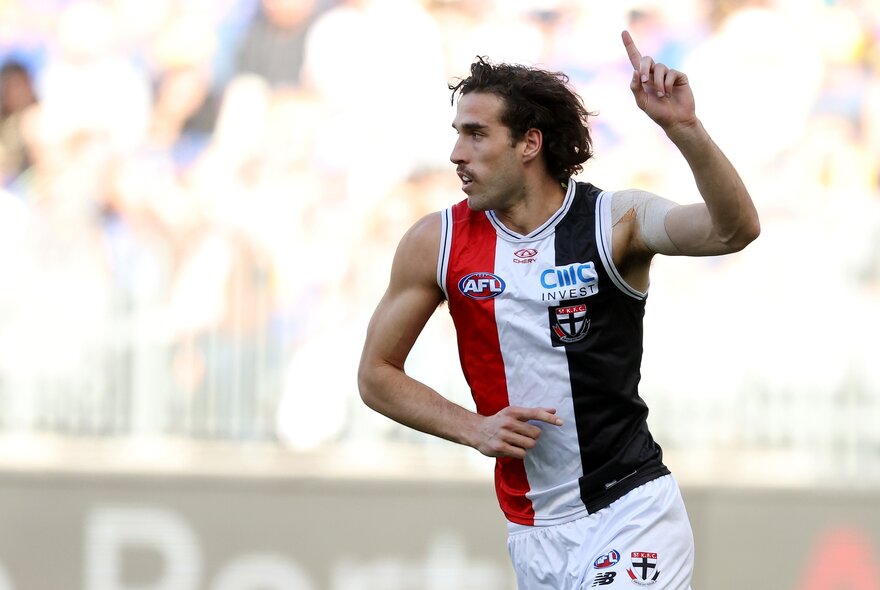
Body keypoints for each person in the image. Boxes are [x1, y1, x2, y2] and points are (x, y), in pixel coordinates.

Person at [358, 30, 759, 590]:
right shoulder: (437, 242)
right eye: (457, 135)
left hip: (629, 508)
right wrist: (473, 428)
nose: (456, 154)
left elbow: (732, 230)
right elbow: (376, 375)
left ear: (529, 143)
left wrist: (683, 129)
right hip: (532, 530)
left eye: (476, 135)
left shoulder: (615, 223)